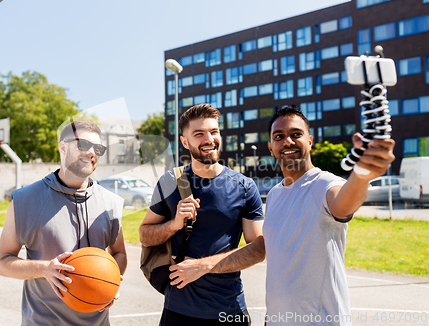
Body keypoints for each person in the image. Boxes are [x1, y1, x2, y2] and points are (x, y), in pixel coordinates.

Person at [169, 106, 395, 326]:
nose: (287, 141)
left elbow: (343, 204)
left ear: (310, 140)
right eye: (279, 136)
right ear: (270, 147)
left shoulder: (323, 183)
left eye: (296, 134)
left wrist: (362, 175)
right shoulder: (275, 195)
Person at [139, 103, 264, 326]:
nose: (209, 139)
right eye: (199, 134)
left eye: (214, 132)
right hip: (177, 311)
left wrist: (203, 266)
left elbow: (258, 248)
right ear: (185, 142)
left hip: (229, 309)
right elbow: (145, 235)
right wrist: (174, 224)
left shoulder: (244, 187)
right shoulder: (170, 182)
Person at [0, 119, 127, 326]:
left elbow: (119, 253)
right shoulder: (25, 200)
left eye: (98, 148)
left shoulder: (111, 203)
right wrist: (45, 268)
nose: (92, 152)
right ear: (63, 147)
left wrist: (111, 281)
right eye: (83, 144)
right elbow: (2, 262)